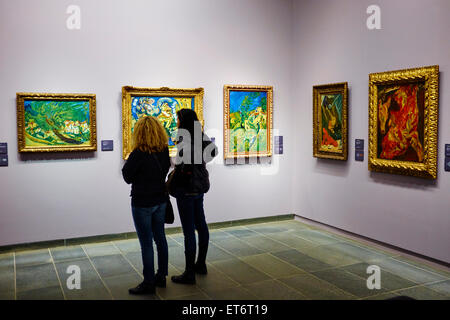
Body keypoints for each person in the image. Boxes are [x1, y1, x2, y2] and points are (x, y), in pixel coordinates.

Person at [122, 116, 171, 295]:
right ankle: (162, 276)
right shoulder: (164, 150)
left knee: (146, 244)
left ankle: (149, 282)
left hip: (142, 202)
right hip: (160, 200)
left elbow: (127, 176)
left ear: (139, 133)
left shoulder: (138, 153)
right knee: (160, 239)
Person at [170, 109, 218, 284]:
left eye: (177, 119)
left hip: (186, 188)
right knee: (201, 225)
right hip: (199, 187)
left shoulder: (185, 138)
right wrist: (200, 162)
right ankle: (201, 264)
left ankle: (189, 273)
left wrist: (185, 167)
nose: (176, 122)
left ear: (183, 121)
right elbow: (214, 152)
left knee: (189, 231)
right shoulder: (200, 135)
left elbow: (182, 164)